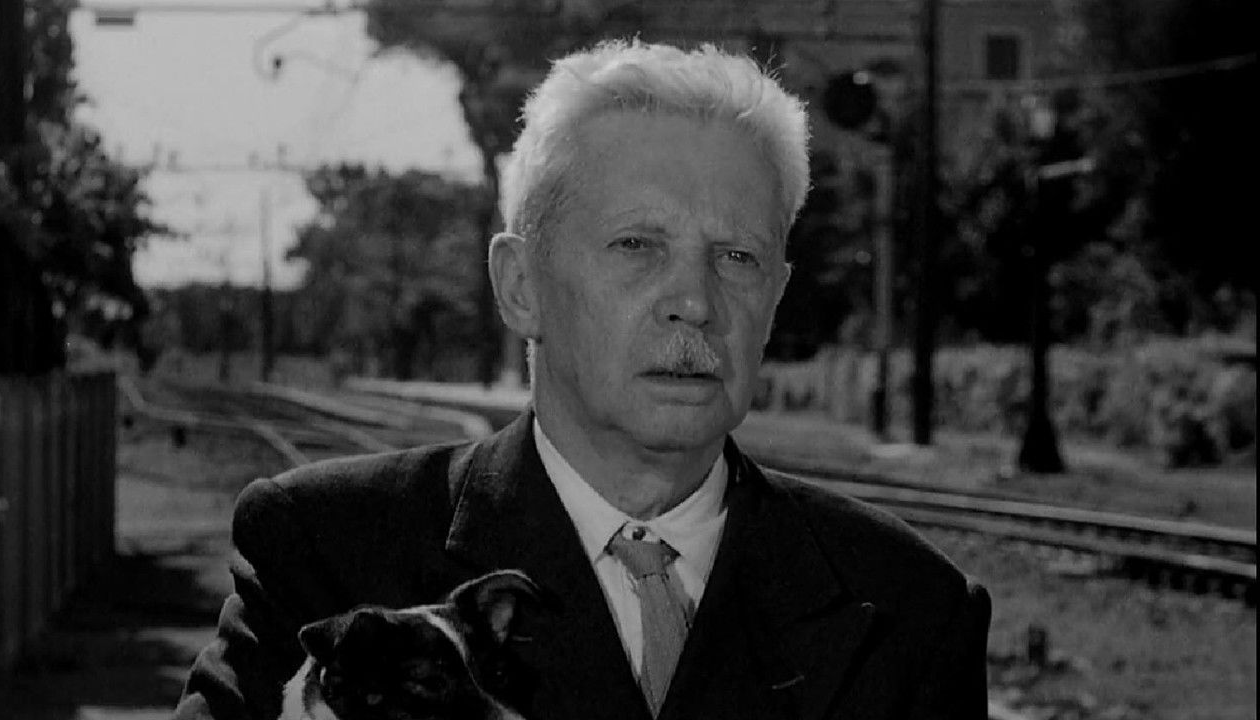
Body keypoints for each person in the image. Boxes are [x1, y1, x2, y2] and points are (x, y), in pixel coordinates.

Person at [176, 39, 990, 720]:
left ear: (775, 298)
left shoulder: (910, 607)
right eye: (637, 245)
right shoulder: (323, 548)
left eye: (737, 256)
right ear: (520, 286)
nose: (695, 302)